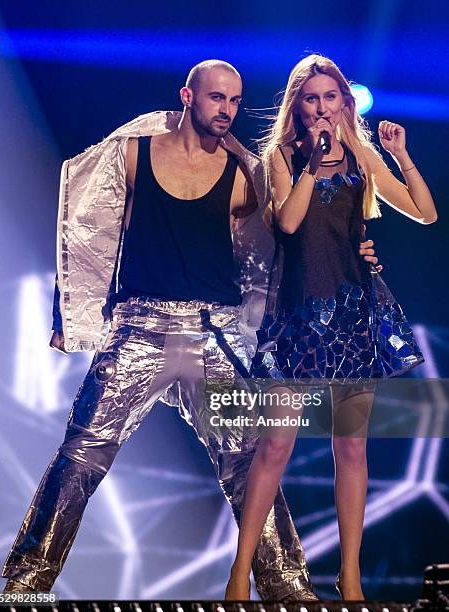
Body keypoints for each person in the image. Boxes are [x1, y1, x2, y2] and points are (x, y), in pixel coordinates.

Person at [1, 59, 316, 601]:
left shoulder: (244, 174)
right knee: (81, 453)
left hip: (213, 333)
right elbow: (84, 229)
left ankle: (289, 589)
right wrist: (69, 311)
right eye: (217, 98)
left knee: (249, 460)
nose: (228, 111)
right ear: (188, 97)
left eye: (236, 101)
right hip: (139, 329)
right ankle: (27, 583)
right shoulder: (133, 154)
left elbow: (278, 246)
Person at [225, 54, 437, 601]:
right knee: (274, 447)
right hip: (297, 317)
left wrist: (400, 156)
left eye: (330, 97)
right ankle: (240, 571)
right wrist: (311, 165)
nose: (322, 108)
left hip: (351, 317)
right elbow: (290, 223)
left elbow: (425, 212)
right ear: (298, 106)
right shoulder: (281, 157)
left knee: (352, 449)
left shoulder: (361, 158)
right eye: (311, 99)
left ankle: (350, 575)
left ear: (345, 102)